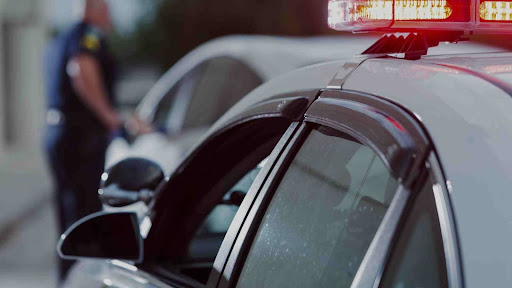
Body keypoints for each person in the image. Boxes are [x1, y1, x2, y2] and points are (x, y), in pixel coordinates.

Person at [43, 0, 125, 282]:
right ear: (93, 9)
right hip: (81, 139)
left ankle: (66, 280)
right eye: (106, 8)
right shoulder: (87, 35)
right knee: (85, 219)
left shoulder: (59, 39)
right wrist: (110, 117)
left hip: (58, 133)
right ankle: (82, 282)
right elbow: (81, 68)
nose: (110, 15)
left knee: (68, 216)